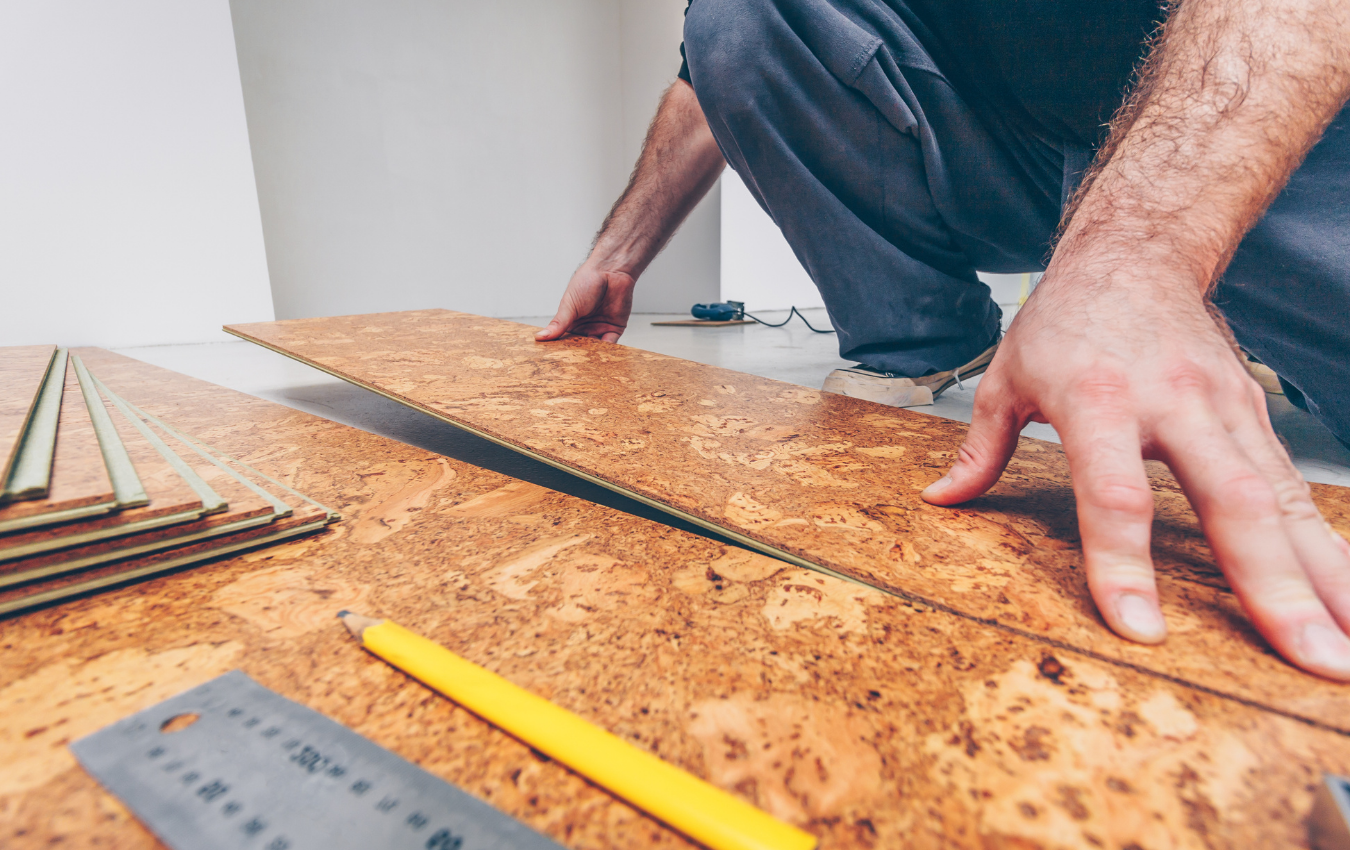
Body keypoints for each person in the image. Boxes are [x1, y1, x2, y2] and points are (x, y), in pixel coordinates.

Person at [534, 0, 1350, 680]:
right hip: (1010, 144)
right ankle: (924, 333)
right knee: (738, 13)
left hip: (1281, 127)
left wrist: (1136, 258)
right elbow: (710, 68)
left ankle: (1225, 322)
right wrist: (616, 256)